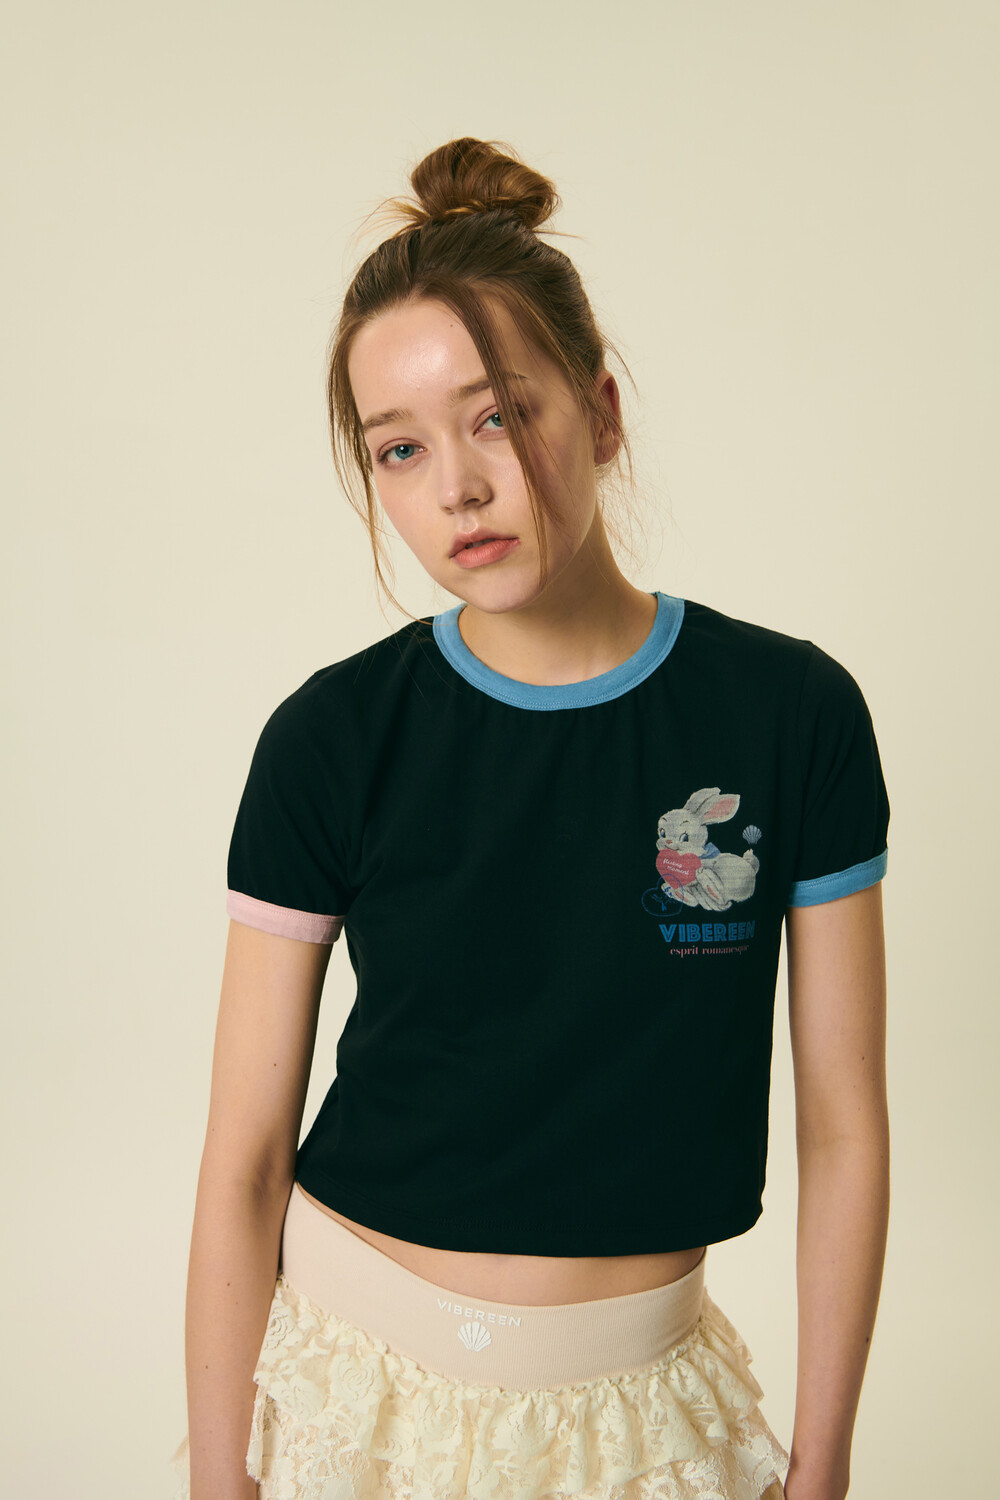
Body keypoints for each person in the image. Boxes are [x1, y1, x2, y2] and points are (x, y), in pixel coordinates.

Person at [172, 137, 890, 1500]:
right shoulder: (332, 737)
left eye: (498, 416)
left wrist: (825, 1468)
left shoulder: (791, 714)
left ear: (600, 413)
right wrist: (220, 1480)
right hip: (356, 1396)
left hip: (647, 1413)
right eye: (400, 448)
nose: (457, 485)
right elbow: (244, 1157)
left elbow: (844, 1124)